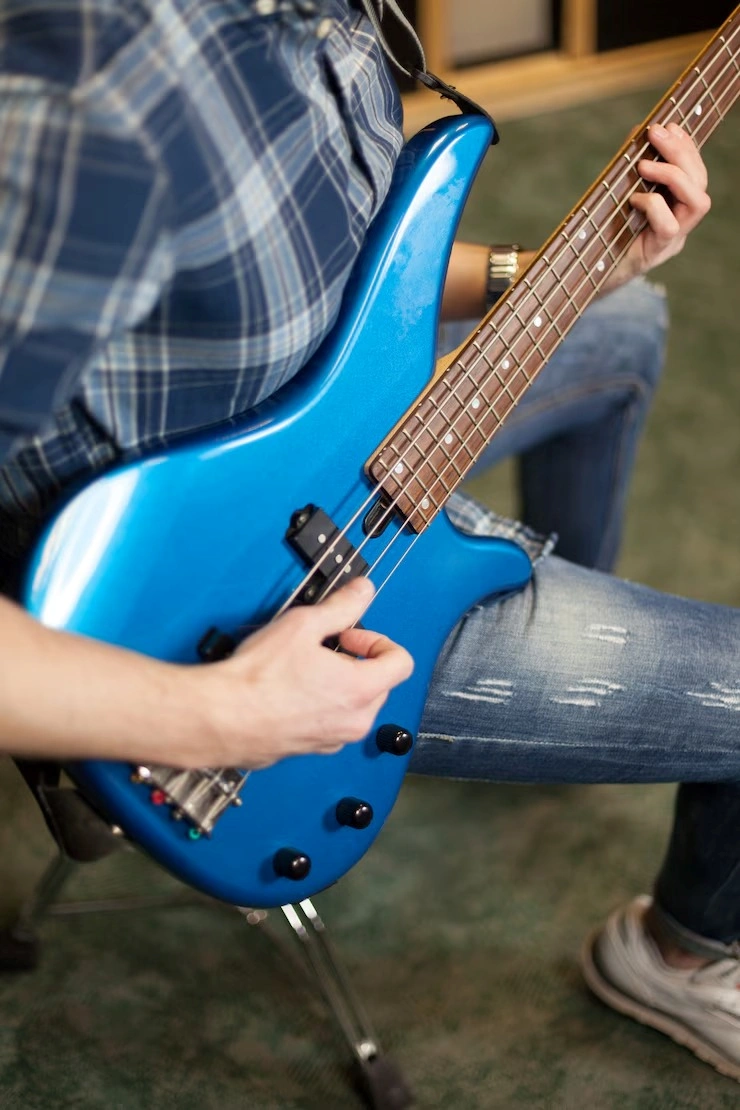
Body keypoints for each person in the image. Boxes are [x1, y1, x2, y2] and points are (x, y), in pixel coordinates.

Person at [0, 0, 737, 1084]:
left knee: (621, 325)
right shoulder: (83, 106)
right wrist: (221, 713)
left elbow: (322, 267)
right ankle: (680, 953)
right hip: (211, 616)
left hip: (335, 436)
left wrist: (554, 268)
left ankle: (563, 665)